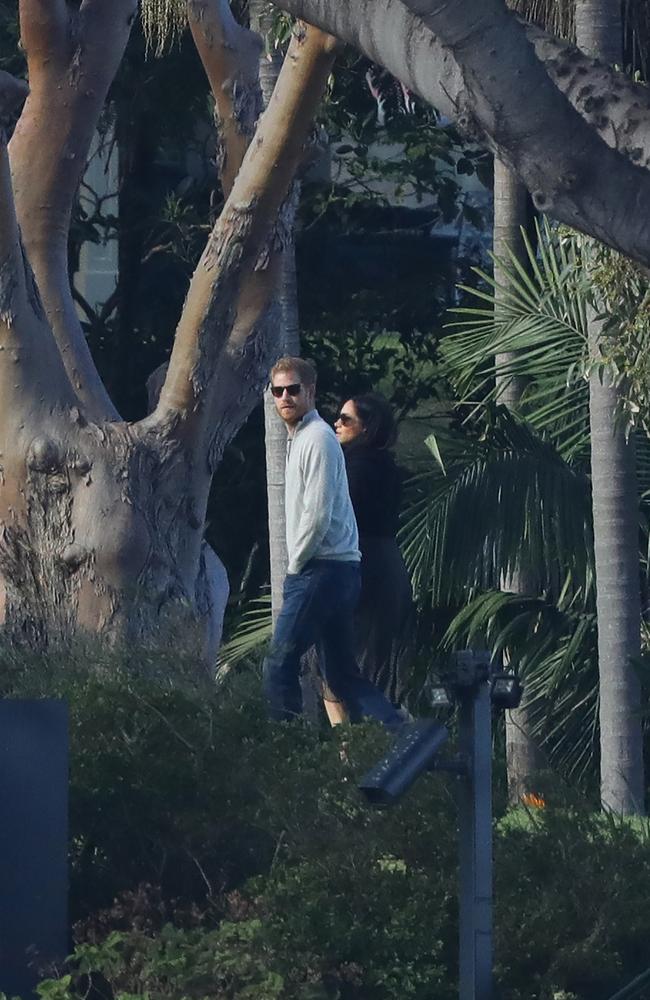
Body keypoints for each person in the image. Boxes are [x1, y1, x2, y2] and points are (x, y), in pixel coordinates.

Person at [262, 357, 402, 727]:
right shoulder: (305, 439)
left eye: (293, 390)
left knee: (279, 663)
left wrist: (295, 567)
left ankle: (283, 754)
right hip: (336, 570)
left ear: (310, 391)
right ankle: (400, 732)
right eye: (278, 391)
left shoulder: (319, 439)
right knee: (341, 676)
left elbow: (318, 515)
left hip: (322, 568)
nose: (285, 397)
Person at [333, 392, 414, 705]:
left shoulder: (360, 467)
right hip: (383, 562)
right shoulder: (382, 465)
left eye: (346, 419)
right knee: (370, 662)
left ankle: (356, 742)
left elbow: (344, 516)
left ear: (366, 428)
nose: (337, 423)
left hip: (366, 563)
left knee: (355, 659)